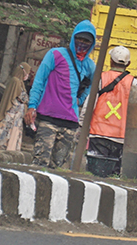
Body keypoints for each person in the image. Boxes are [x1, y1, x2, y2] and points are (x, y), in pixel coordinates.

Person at [24, 20, 96, 168]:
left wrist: (80, 100)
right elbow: (39, 81)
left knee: (56, 167)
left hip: (70, 123)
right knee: (39, 164)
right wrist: (32, 106)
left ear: (91, 44)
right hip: (47, 119)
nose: (82, 43)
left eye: (86, 41)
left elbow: (91, 86)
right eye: (79, 39)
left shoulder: (90, 65)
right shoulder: (55, 54)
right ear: (73, 38)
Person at [86, 46, 137, 176]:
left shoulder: (101, 78)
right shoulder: (134, 83)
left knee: (95, 173)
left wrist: (82, 124)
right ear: (128, 64)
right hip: (120, 136)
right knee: (114, 174)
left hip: (99, 133)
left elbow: (90, 103)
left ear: (110, 61)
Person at [0, 62, 33, 151]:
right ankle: (1, 147)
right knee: (6, 131)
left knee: (14, 132)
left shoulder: (20, 82)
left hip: (17, 116)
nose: (28, 75)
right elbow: (23, 97)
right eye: (28, 72)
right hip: (11, 113)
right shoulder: (15, 81)